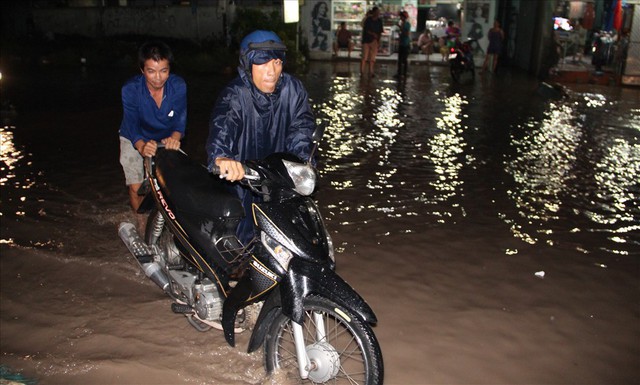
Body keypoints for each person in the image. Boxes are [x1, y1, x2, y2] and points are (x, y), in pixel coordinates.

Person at [205, 30, 315, 244]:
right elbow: (223, 125)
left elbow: (302, 128)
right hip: (242, 179)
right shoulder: (234, 94)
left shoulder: (294, 89)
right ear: (248, 64)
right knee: (235, 245)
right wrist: (221, 157)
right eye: (262, 64)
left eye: (276, 62)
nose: (271, 72)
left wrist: (303, 164)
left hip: (279, 181)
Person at [119, 40, 187, 231]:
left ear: (169, 69)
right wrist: (140, 145)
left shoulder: (179, 85)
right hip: (134, 136)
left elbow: (181, 118)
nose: (158, 77)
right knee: (135, 185)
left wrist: (175, 136)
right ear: (142, 70)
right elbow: (131, 123)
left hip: (166, 137)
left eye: (163, 70)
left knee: (176, 183)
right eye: (151, 71)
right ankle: (141, 223)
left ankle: (172, 223)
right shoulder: (130, 89)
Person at [361, 6, 383, 77]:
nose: (377, 14)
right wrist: (373, 34)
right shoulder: (368, 20)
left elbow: (380, 32)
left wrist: (378, 41)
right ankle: (362, 71)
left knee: (372, 58)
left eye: (378, 12)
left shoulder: (379, 21)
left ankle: (371, 71)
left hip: (374, 41)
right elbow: (366, 29)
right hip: (366, 40)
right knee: (365, 57)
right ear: (373, 12)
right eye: (376, 12)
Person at [394, 11, 411, 78]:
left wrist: (400, 28)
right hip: (402, 43)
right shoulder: (403, 24)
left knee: (404, 59)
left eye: (401, 16)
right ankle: (400, 73)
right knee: (400, 59)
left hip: (405, 43)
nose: (400, 18)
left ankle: (404, 73)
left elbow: (406, 33)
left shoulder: (407, 24)